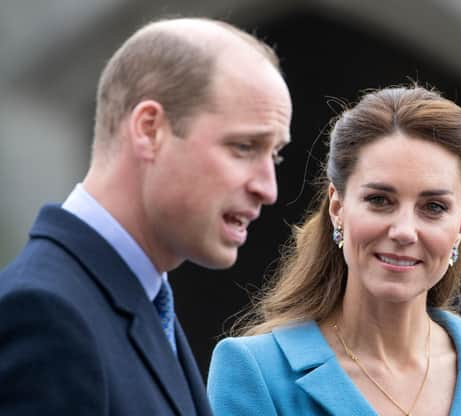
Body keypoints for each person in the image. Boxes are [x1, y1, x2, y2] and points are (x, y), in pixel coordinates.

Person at [0, 17, 292, 415]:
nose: (268, 188)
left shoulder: (142, 300)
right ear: (149, 129)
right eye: (244, 146)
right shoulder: (46, 313)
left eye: (274, 154)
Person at [207, 86, 461, 415]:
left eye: (433, 207)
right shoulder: (257, 371)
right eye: (379, 200)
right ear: (337, 208)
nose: (403, 231)